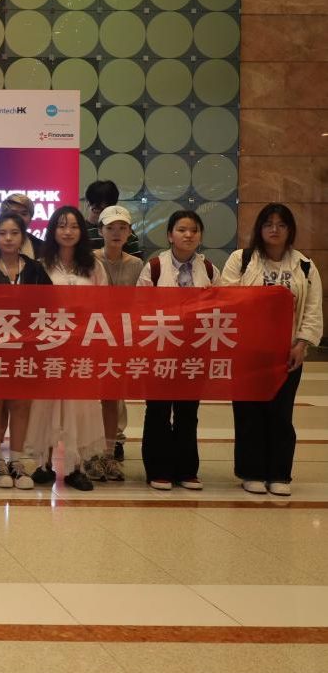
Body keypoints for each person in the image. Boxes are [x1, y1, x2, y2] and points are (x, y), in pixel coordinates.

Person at [219, 203, 322, 497]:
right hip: (248, 351)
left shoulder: (304, 265)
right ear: (259, 229)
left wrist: (301, 344)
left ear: (290, 230)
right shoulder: (242, 260)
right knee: (248, 413)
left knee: (281, 414)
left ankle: (279, 473)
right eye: (268, 224)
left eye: (281, 225)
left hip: (287, 353)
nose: (274, 230)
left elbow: (312, 309)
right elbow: (227, 298)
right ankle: (251, 472)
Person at [25, 206, 109, 492]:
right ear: (53, 231)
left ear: (82, 231)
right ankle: (43, 464)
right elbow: (32, 307)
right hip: (49, 346)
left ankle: (76, 468)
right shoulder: (41, 264)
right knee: (46, 405)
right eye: (62, 226)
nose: (68, 231)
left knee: (80, 406)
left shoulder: (93, 266)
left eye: (73, 226)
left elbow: (104, 306)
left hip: (82, 346)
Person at [137, 210, 216, 491]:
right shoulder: (154, 267)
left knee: (187, 411)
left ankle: (186, 469)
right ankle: (158, 469)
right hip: (160, 348)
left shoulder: (209, 269)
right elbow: (141, 308)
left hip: (195, 351)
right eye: (181, 230)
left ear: (200, 236)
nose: (188, 235)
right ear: (170, 235)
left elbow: (220, 307)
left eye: (194, 230)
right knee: (158, 410)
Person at [0, 211, 53, 489]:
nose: (8, 238)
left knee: (20, 403)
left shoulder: (35, 269)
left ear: (23, 237)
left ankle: (17, 461)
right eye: (2, 233)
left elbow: (50, 305)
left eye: (14, 233)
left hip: (26, 348)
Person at [89, 205, 145, 483]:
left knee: (112, 398)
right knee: (89, 400)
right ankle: (90, 455)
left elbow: (141, 302)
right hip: (90, 338)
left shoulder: (136, 264)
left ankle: (109, 454)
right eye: (110, 228)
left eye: (122, 228)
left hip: (121, 339)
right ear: (100, 231)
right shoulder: (89, 260)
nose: (116, 233)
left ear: (130, 232)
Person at [0, 193, 46, 264]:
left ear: (31, 217)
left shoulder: (42, 247)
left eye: (24, 214)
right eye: (14, 213)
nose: (19, 218)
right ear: (4, 216)